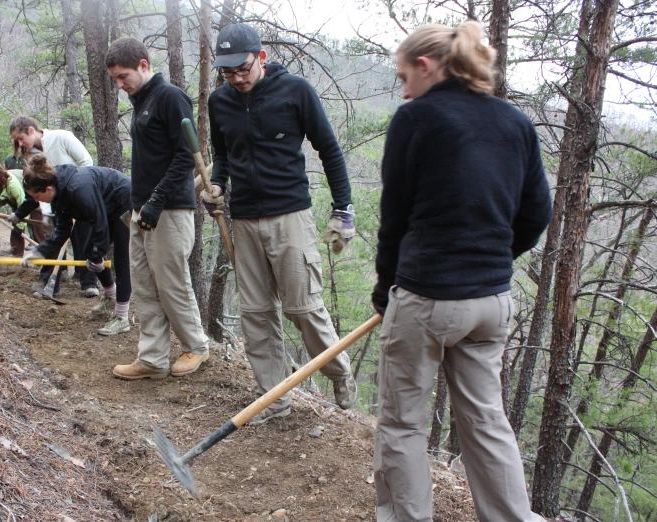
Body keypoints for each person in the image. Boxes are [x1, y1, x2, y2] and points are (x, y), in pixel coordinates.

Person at [370, 22, 552, 522]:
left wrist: (386, 290)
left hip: (427, 297)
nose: (403, 89)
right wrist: (490, 260)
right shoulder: (515, 122)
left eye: (404, 76)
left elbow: (396, 218)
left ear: (427, 67)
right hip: (491, 303)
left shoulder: (417, 119)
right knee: (486, 420)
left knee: (403, 424)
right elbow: (537, 212)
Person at [203, 23, 358, 425]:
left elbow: (329, 149)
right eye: (228, 72)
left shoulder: (295, 91)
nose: (236, 78)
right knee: (256, 313)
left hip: (290, 216)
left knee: (303, 307)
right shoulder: (219, 101)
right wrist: (216, 184)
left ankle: (339, 372)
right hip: (245, 219)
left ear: (261, 58)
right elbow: (222, 155)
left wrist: (343, 208)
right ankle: (275, 400)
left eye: (243, 69)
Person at [105, 37, 210, 379]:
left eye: (124, 77)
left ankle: (195, 346)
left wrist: (156, 202)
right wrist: (141, 206)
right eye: (116, 80)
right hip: (142, 209)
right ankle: (152, 358)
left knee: (171, 282)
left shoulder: (170, 97)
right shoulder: (141, 101)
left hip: (169, 210)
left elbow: (187, 157)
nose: (120, 85)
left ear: (143, 65)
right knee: (145, 285)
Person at [20, 153, 133, 336]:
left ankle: (122, 318)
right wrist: (40, 252)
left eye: (37, 195)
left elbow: (100, 223)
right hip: (104, 207)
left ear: (48, 189)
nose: (36, 200)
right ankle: (111, 296)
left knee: (120, 259)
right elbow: (62, 230)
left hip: (124, 201)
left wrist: (97, 255)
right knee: (89, 251)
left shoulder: (78, 188)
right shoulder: (59, 194)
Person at [8, 116, 99, 297]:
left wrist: (77, 194)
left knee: (85, 239)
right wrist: (47, 213)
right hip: (57, 203)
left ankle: (89, 284)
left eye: (20, 138)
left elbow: (87, 163)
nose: (19, 143)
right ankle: (50, 284)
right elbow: (40, 187)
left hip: (82, 198)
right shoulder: (32, 155)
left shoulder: (62, 137)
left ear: (31, 130)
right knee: (55, 240)